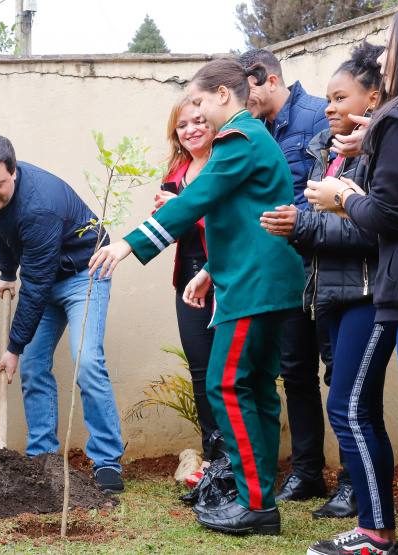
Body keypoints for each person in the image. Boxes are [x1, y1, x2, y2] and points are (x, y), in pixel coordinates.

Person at [90, 59, 305, 535]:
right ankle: (259, 499)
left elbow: (197, 198)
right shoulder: (251, 138)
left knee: (227, 385)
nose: (198, 112)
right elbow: (243, 214)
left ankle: (255, 504)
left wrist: (130, 242)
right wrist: (209, 270)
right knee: (257, 391)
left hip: (254, 285)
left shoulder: (238, 138)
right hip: (262, 280)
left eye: (201, 102)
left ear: (223, 96)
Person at [306, 2, 398, 553]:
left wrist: (341, 197)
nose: (381, 57)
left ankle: (376, 532)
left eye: (389, 44)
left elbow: (389, 215)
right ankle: (373, 528)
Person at [263, 43, 398, 555]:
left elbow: (377, 231)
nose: (328, 106)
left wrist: (312, 218)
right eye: (326, 98)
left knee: (348, 408)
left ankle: (376, 534)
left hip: (370, 293)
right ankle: (373, 529)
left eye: (339, 96)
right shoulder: (326, 147)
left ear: (372, 98)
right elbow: (323, 220)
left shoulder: (381, 148)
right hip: (334, 295)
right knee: (353, 407)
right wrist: (298, 224)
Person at [0, 134, 126, 493]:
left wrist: (12, 347)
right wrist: (6, 272)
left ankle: (106, 461)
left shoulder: (39, 206)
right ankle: (44, 458)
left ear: (15, 171)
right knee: (35, 366)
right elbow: (1, 231)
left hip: (85, 274)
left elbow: (36, 286)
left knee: (86, 361)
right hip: (47, 275)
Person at [236, 48, 338, 507]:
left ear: (270, 80)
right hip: (285, 274)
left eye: (248, 90)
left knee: (339, 371)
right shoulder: (251, 132)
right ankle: (307, 473)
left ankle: (355, 482)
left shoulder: (319, 115)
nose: (243, 100)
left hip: (329, 266)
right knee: (295, 372)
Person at [154, 97, 222, 479]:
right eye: (182, 125)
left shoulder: (223, 165)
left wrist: (184, 207)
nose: (191, 129)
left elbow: (229, 225)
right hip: (188, 277)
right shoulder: (177, 169)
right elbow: (167, 231)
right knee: (200, 369)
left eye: (199, 120)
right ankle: (211, 455)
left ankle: (233, 457)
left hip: (223, 274)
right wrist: (167, 212)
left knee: (225, 370)